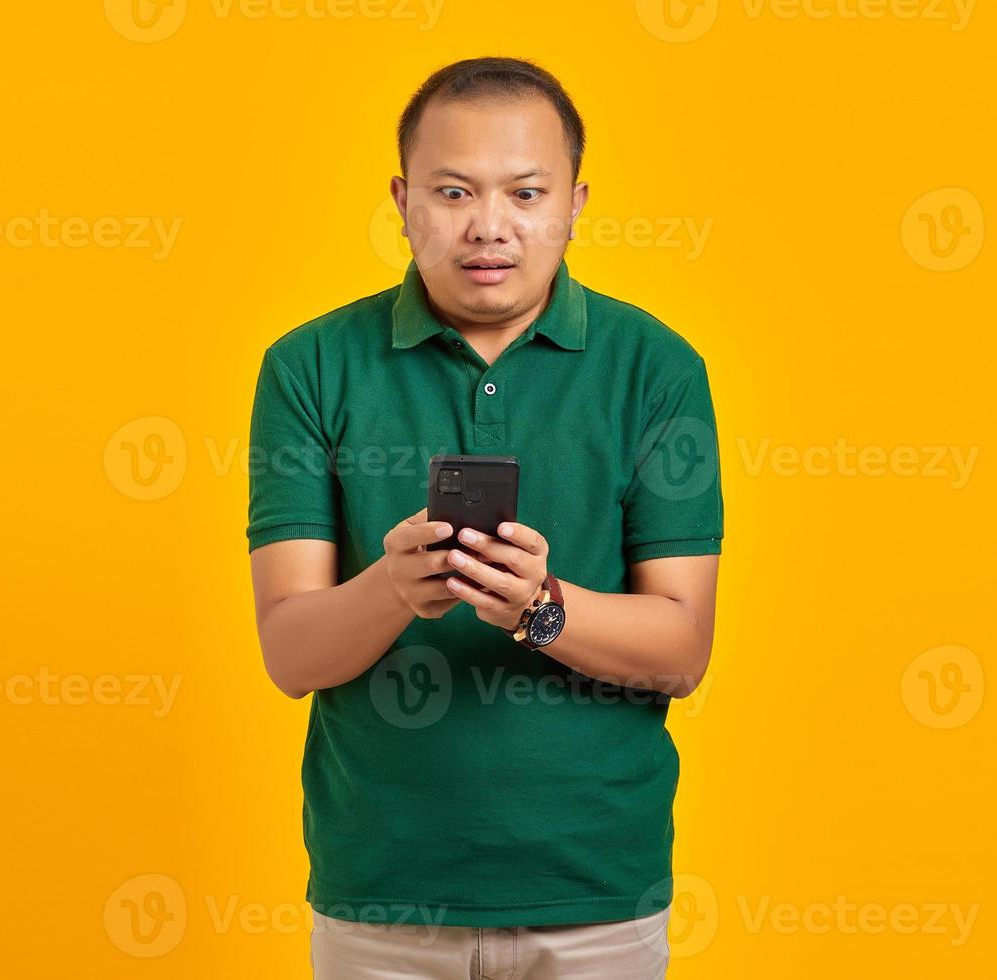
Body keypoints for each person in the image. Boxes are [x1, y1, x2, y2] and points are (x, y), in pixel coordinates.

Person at [247, 56, 723, 979]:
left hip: (595, 895)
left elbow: (684, 650)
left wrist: (542, 607)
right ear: (402, 198)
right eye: (454, 190)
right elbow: (290, 654)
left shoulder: (657, 368)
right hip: (380, 892)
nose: (490, 226)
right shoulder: (307, 367)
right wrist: (392, 586)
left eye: (526, 192)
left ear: (576, 203)